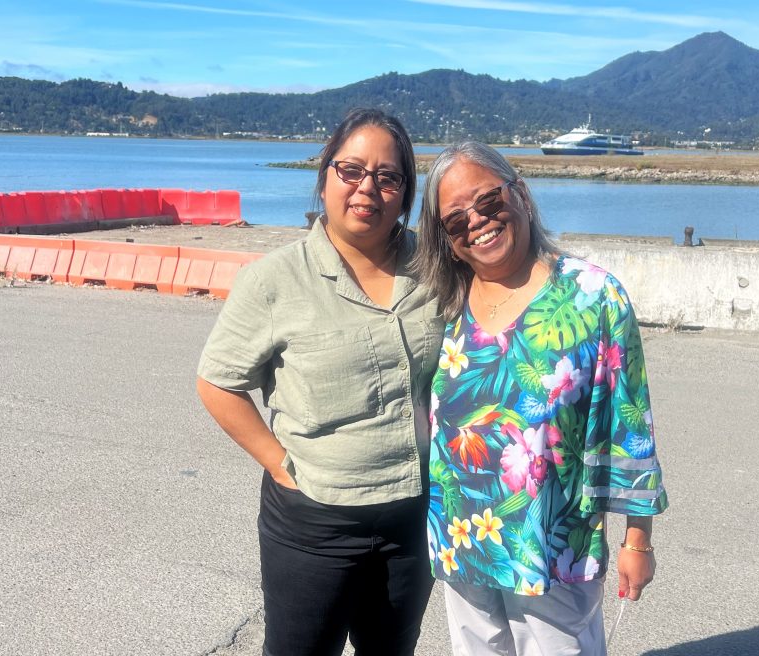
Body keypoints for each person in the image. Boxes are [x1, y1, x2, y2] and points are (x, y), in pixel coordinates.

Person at [195, 108, 443, 656]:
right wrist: (280, 465)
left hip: (414, 515)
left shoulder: (435, 270)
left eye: (388, 176)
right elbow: (218, 382)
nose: (367, 189)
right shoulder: (276, 279)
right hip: (315, 523)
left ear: (405, 192)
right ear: (326, 176)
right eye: (351, 170)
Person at [413, 141, 669, 656]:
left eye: (487, 202)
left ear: (521, 195)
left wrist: (636, 539)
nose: (477, 223)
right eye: (455, 220)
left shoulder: (592, 297)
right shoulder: (443, 303)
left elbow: (630, 421)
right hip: (463, 535)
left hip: (554, 546)